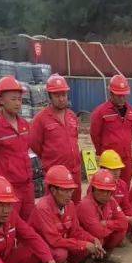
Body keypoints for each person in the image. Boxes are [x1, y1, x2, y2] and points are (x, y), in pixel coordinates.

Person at [33, 166, 105, 263]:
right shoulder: (43, 208)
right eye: (65, 190)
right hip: (41, 247)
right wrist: (84, 245)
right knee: (61, 253)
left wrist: (92, 239)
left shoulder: (70, 205)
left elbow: (76, 231)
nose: (69, 194)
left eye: (71, 190)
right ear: (53, 190)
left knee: (93, 241)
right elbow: (54, 241)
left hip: (55, 243)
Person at [0, 76, 35, 221]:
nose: (18, 103)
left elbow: (27, 150)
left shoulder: (24, 125)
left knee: (29, 223)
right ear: (1, 100)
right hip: (9, 188)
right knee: (10, 224)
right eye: (13, 99)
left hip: (27, 185)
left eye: (19, 99)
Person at [29, 74, 82, 202]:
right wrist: (50, 158)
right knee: (54, 210)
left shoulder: (72, 116)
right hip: (55, 176)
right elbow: (35, 144)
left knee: (75, 207)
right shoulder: (41, 119)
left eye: (63, 95)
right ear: (50, 96)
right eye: (57, 95)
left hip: (75, 172)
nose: (61, 99)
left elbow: (74, 139)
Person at [89, 75, 132, 184]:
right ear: (111, 93)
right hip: (109, 161)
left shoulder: (131, 111)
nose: (122, 98)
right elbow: (94, 134)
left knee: (124, 187)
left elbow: (131, 131)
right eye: (118, 95)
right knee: (107, 187)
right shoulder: (100, 112)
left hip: (126, 159)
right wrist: (102, 153)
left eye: (124, 95)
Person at [76, 170, 129, 260]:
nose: (106, 194)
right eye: (102, 190)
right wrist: (113, 226)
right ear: (93, 189)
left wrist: (106, 224)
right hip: (87, 238)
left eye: (109, 191)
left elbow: (124, 223)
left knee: (120, 231)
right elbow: (98, 232)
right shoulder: (86, 205)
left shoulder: (111, 200)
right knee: (98, 239)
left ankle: (104, 256)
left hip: (100, 234)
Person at [98, 149, 132, 242]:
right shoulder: (97, 186)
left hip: (117, 217)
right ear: (103, 169)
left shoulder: (122, 184)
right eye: (113, 170)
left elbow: (126, 206)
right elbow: (101, 214)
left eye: (118, 169)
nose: (116, 172)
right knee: (120, 228)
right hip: (104, 220)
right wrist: (127, 219)